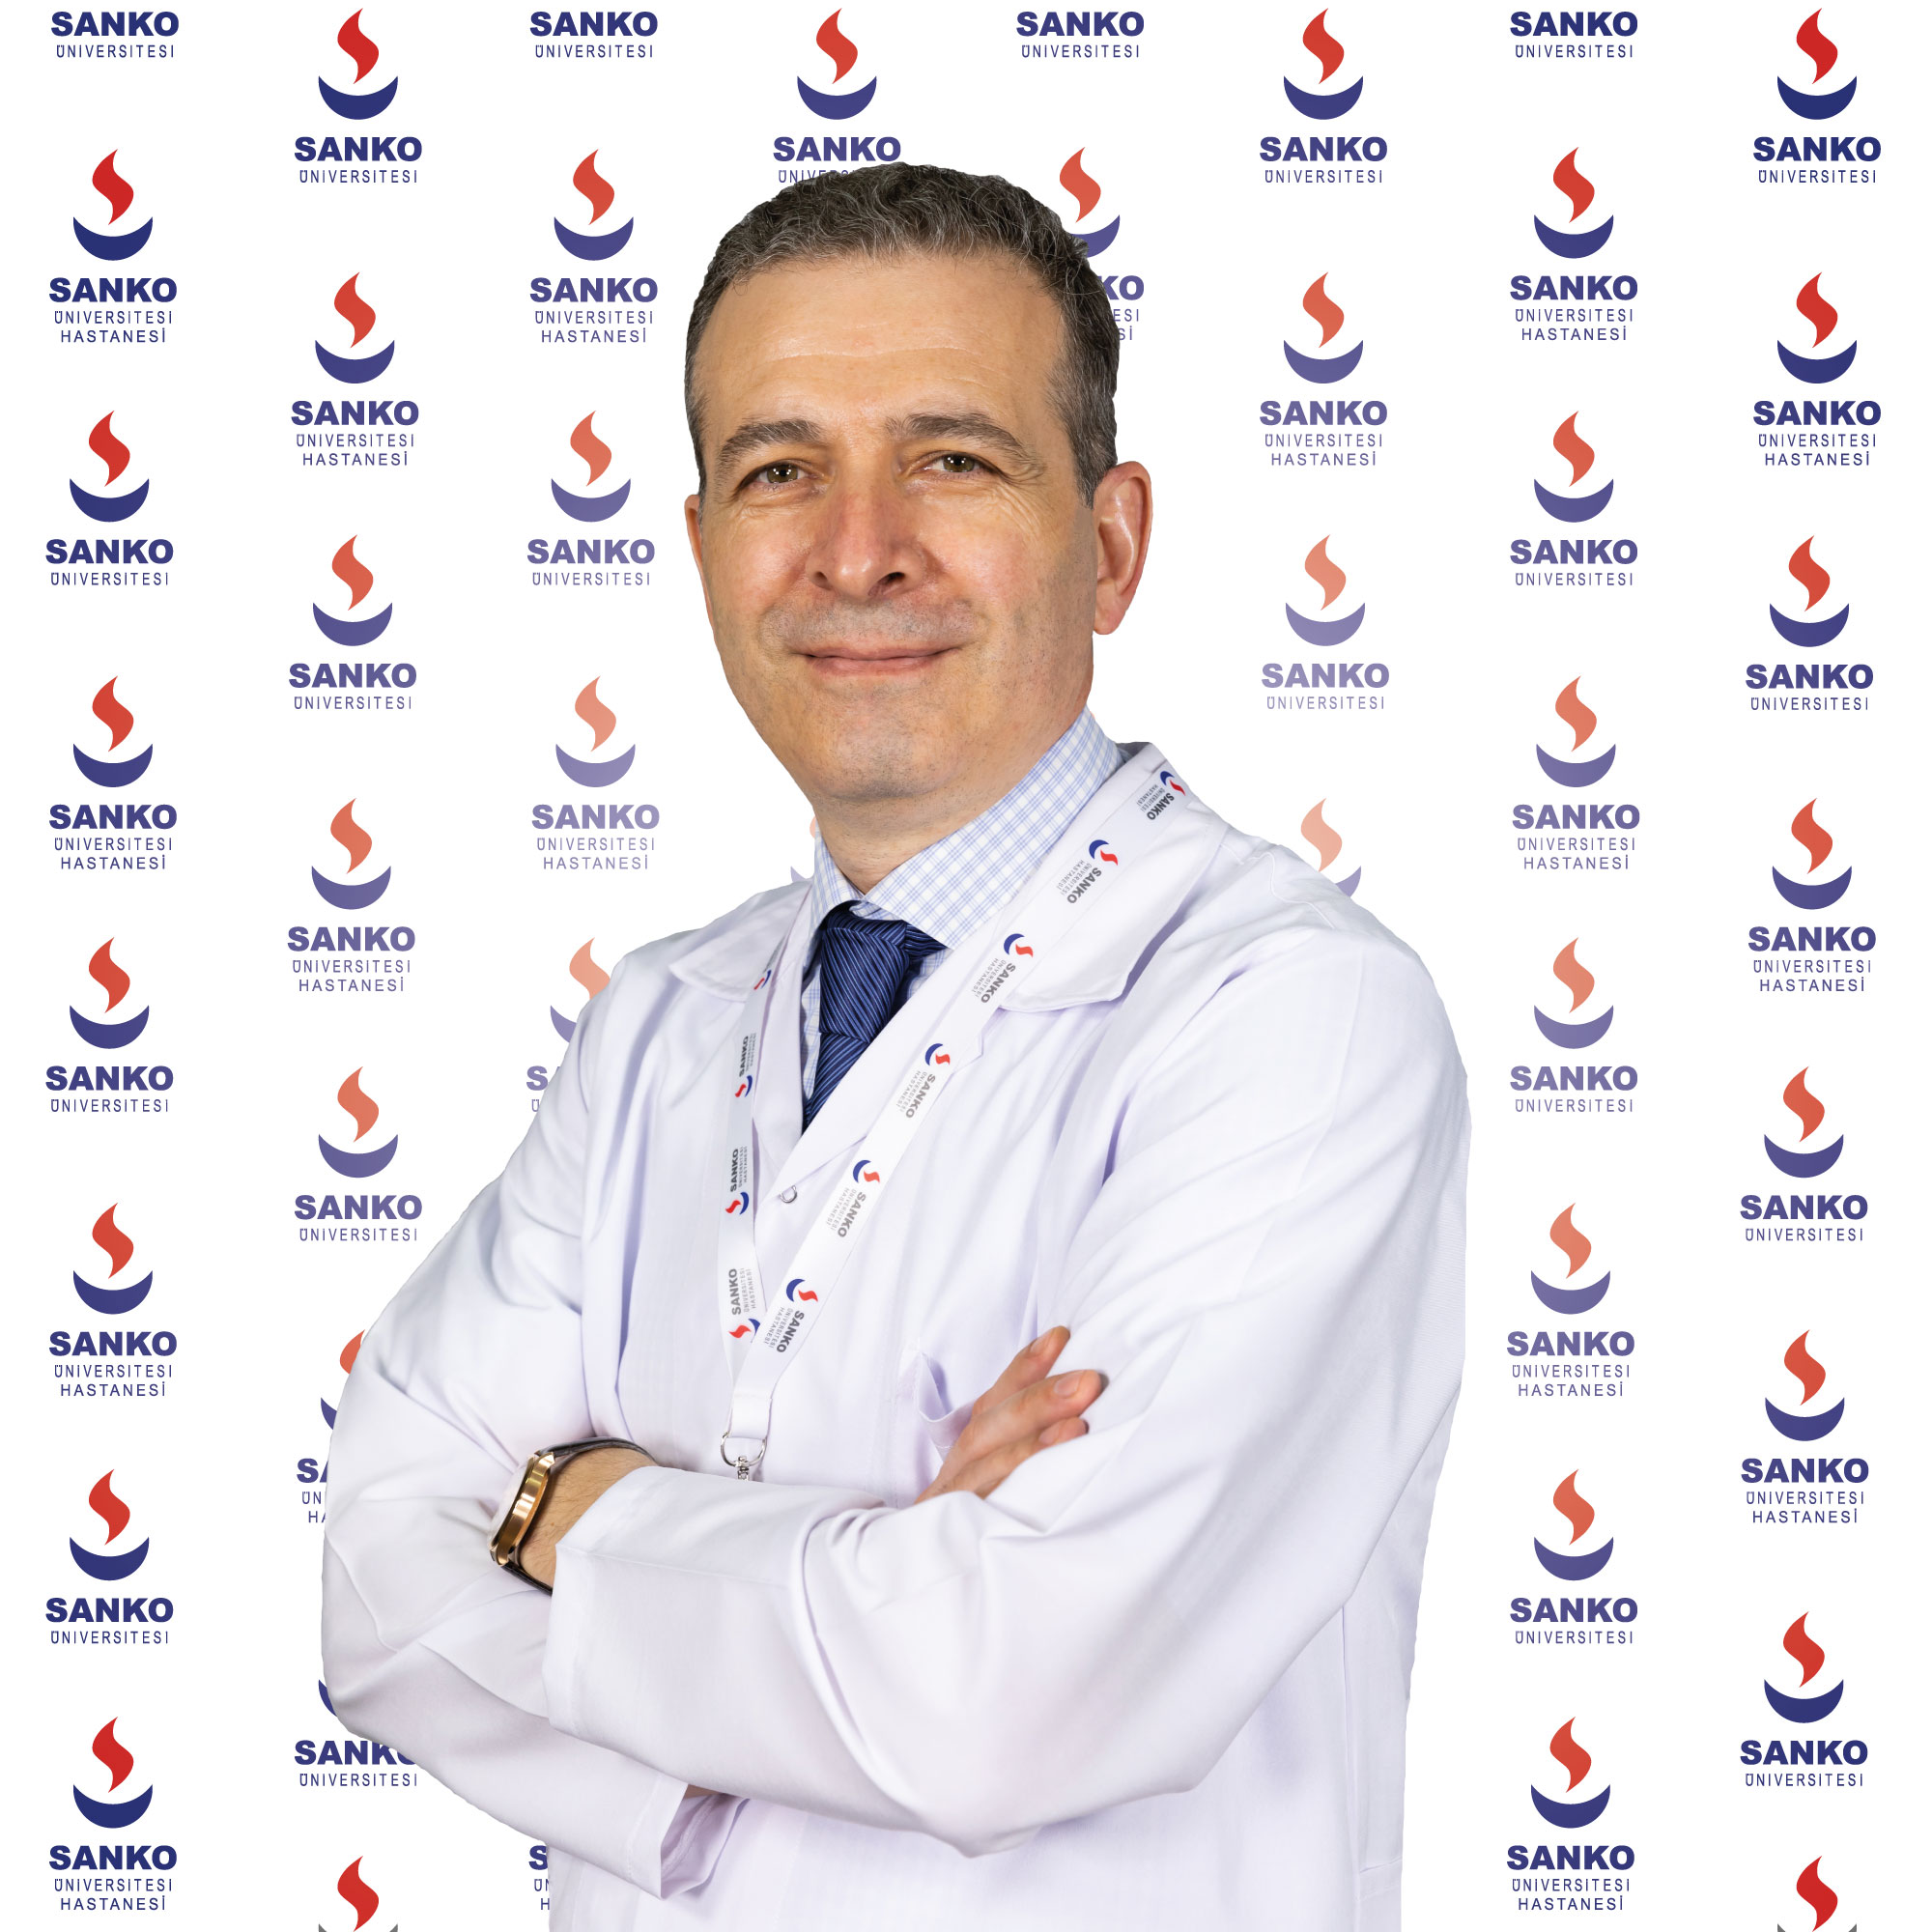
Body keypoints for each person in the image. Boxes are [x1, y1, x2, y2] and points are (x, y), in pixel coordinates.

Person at [322, 162, 1468, 1931]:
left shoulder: (1292, 1018)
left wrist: (566, 1510)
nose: (858, 550)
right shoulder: (657, 1024)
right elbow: (376, 1591)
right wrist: (883, 1573)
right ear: (703, 547)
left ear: (1112, 543)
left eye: (952, 459)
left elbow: (1010, 1695)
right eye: (780, 470)